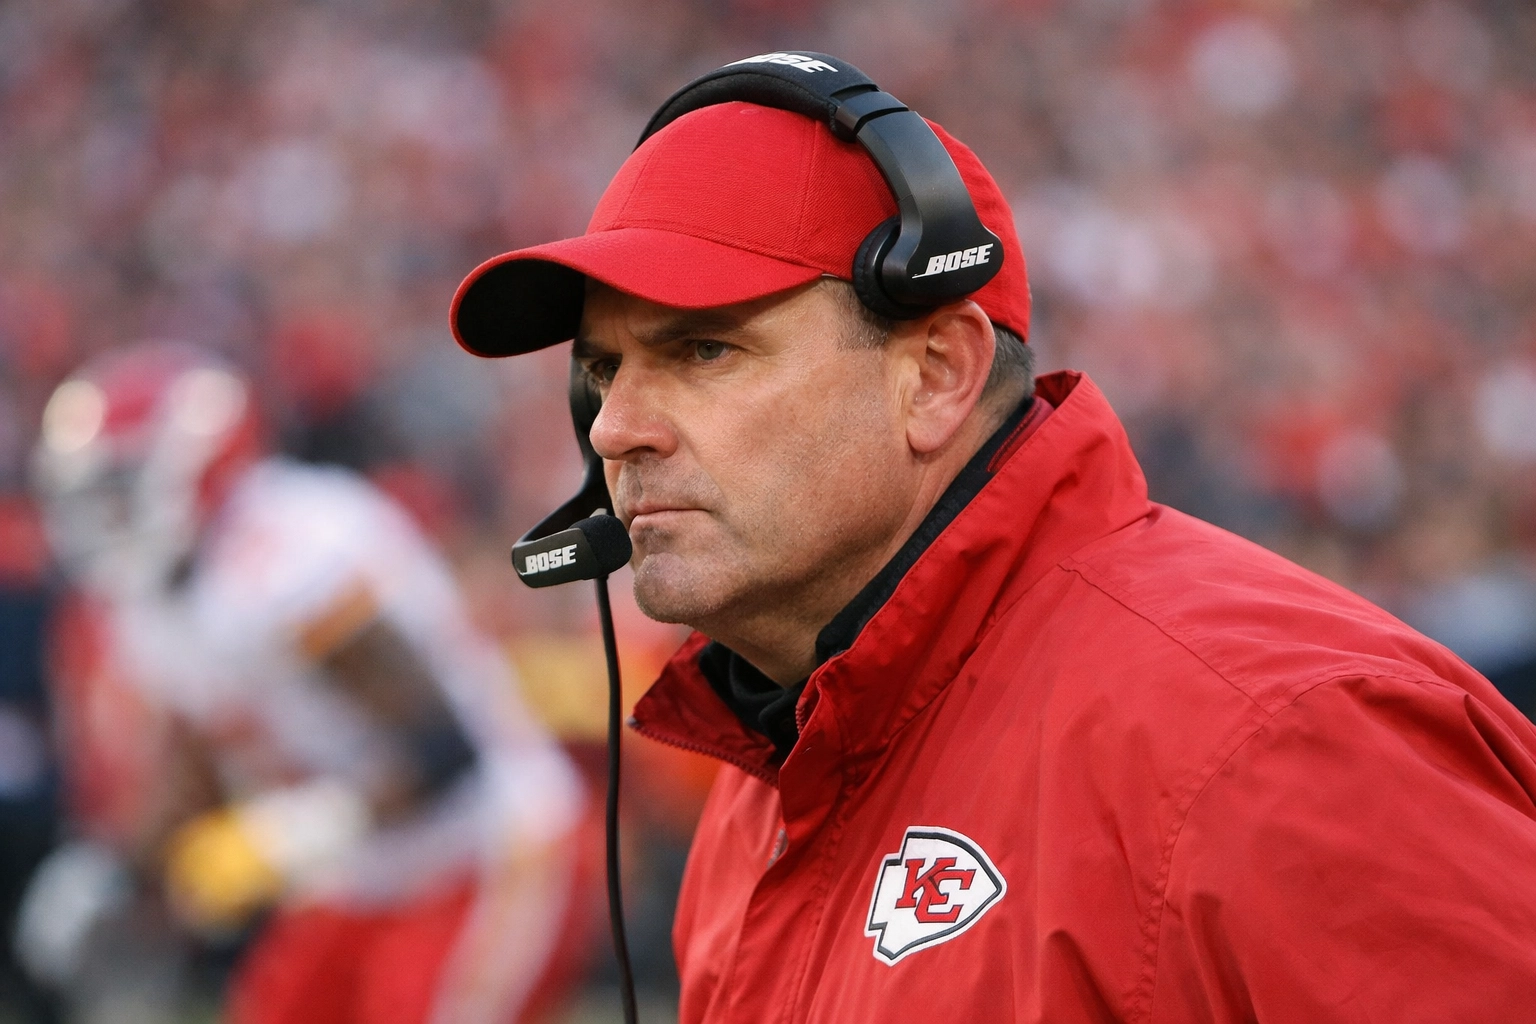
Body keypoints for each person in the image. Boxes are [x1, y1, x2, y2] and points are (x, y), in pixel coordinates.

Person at [448, 55, 1536, 1023]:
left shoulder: (1277, 740)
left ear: (935, 375)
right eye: (605, 372)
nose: (615, 429)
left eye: (704, 351)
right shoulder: (765, 778)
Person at [25, 342, 594, 1024]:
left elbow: (442, 748)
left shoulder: (295, 547)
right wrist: (115, 868)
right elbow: (196, 753)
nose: (104, 520)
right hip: (361, 873)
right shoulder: (147, 600)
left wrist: (285, 836)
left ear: (197, 467)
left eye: (121, 490)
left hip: (485, 848)